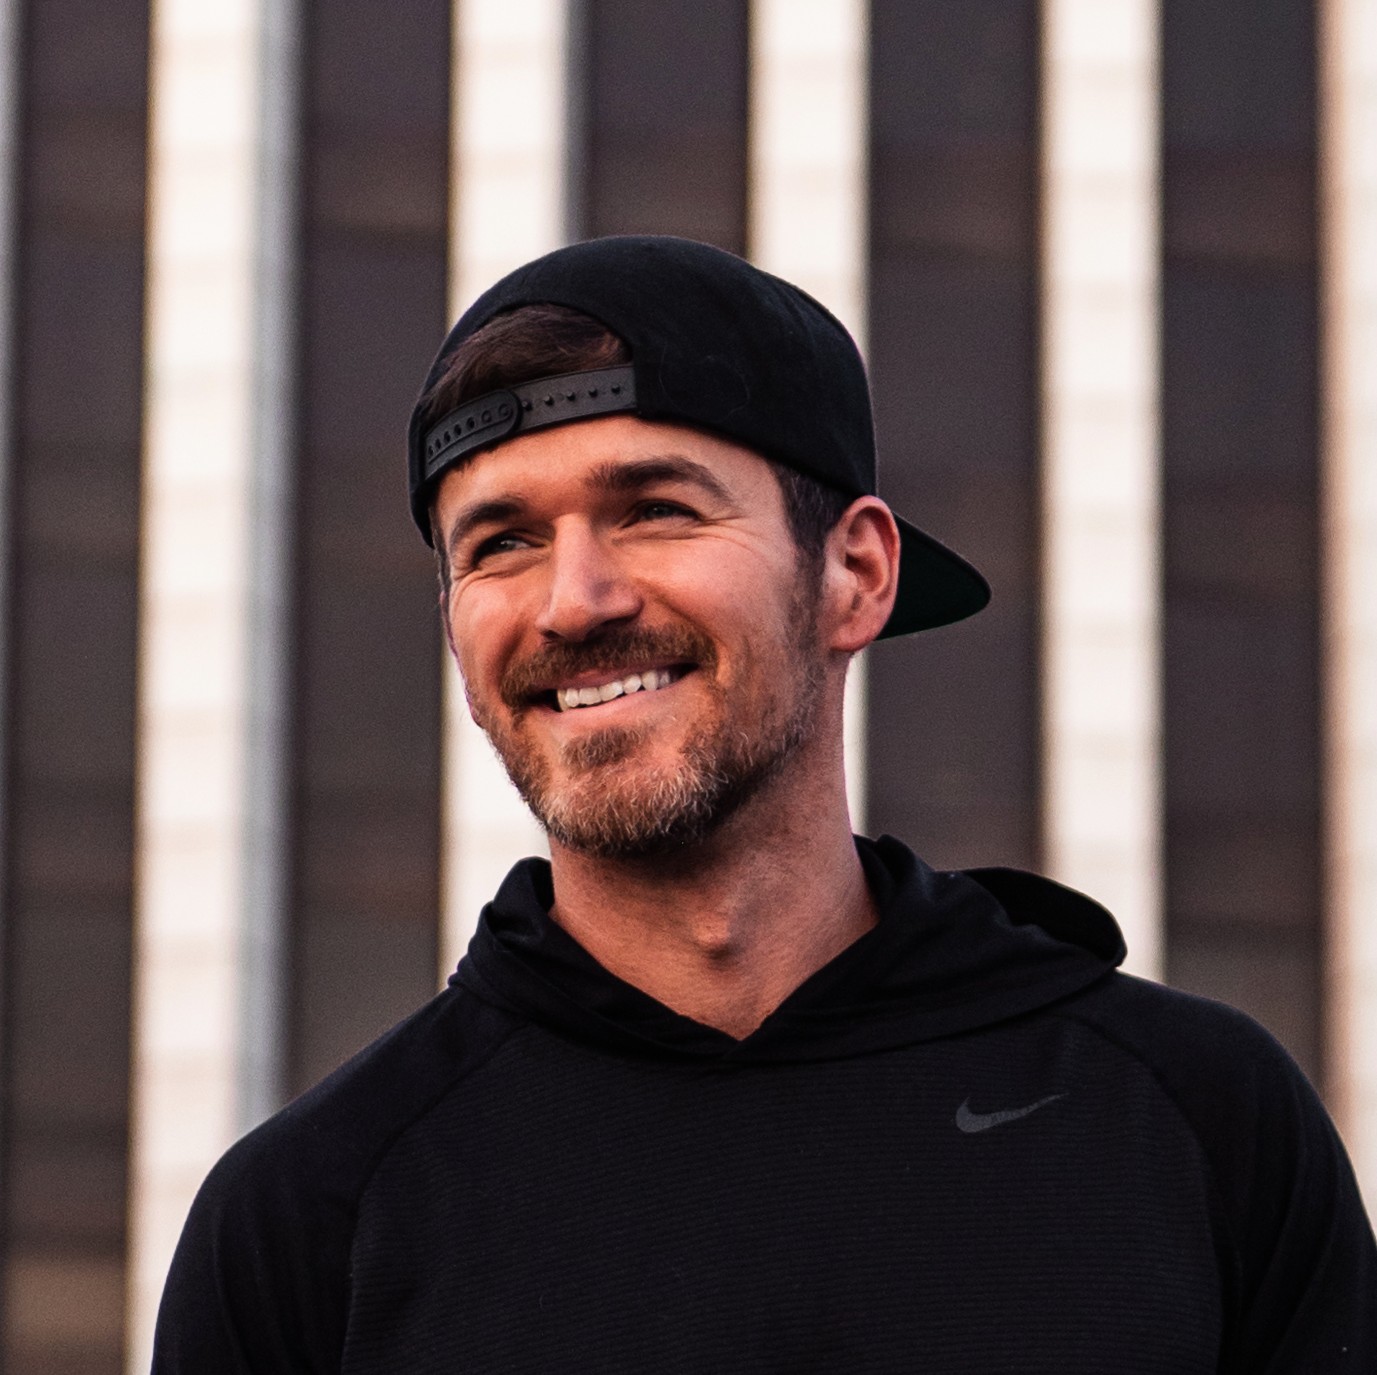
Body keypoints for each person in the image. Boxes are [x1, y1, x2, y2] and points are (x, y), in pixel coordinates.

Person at [153, 236, 1376, 1372]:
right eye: (501, 543)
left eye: (655, 510)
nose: (574, 600)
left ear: (856, 573)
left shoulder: (1200, 1123)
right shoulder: (305, 1222)